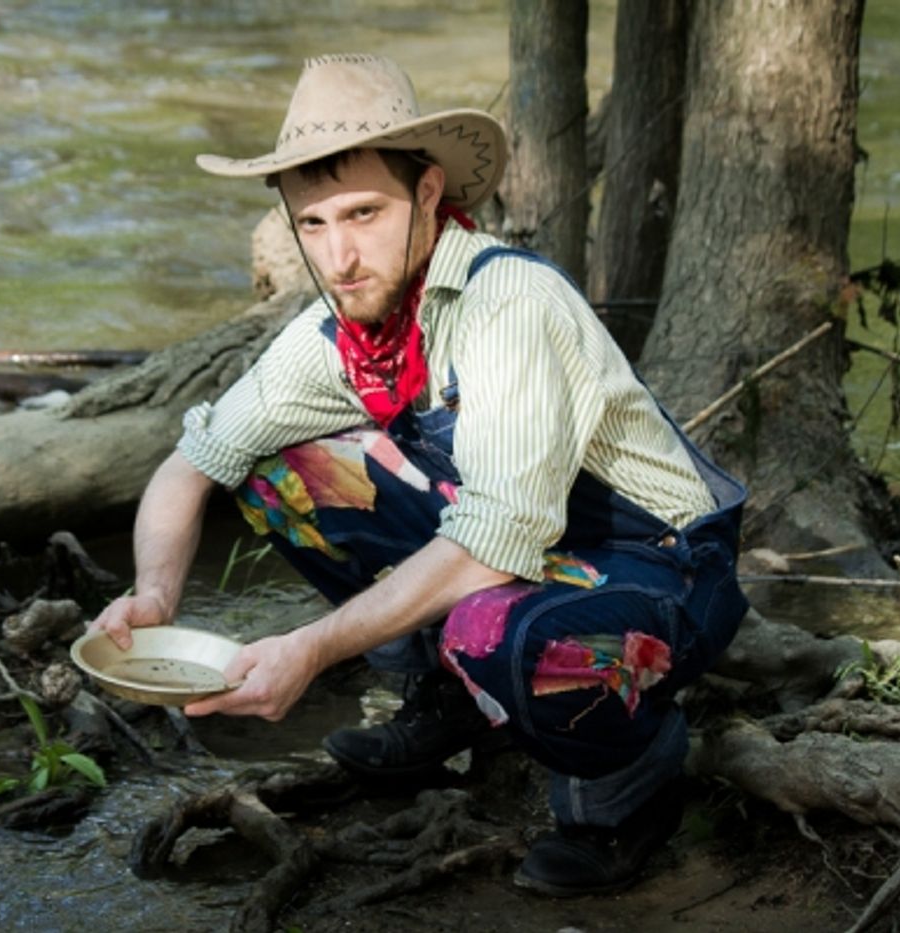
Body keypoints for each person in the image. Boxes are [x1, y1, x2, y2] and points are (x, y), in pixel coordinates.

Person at [91, 53, 749, 896]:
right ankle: (451, 700)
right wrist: (153, 597)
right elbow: (194, 465)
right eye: (315, 223)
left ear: (430, 195)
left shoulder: (504, 305)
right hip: (519, 552)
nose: (341, 255)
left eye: (364, 213)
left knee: (494, 625)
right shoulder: (341, 334)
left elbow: (491, 545)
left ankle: (625, 787)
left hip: (659, 562)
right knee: (276, 471)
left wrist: (311, 649)